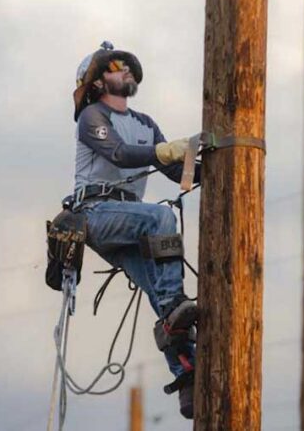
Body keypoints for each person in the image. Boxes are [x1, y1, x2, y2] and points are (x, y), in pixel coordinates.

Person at [69, 41, 199, 419]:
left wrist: (214, 158)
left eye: (126, 66)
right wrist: (164, 151)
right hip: (97, 214)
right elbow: (120, 154)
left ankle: (186, 375)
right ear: (97, 82)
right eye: (114, 67)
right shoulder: (91, 116)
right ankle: (175, 306)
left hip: (129, 221)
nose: (124, 70)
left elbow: (176, 172)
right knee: (160, 218)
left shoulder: (145, 124)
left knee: (159, 290)